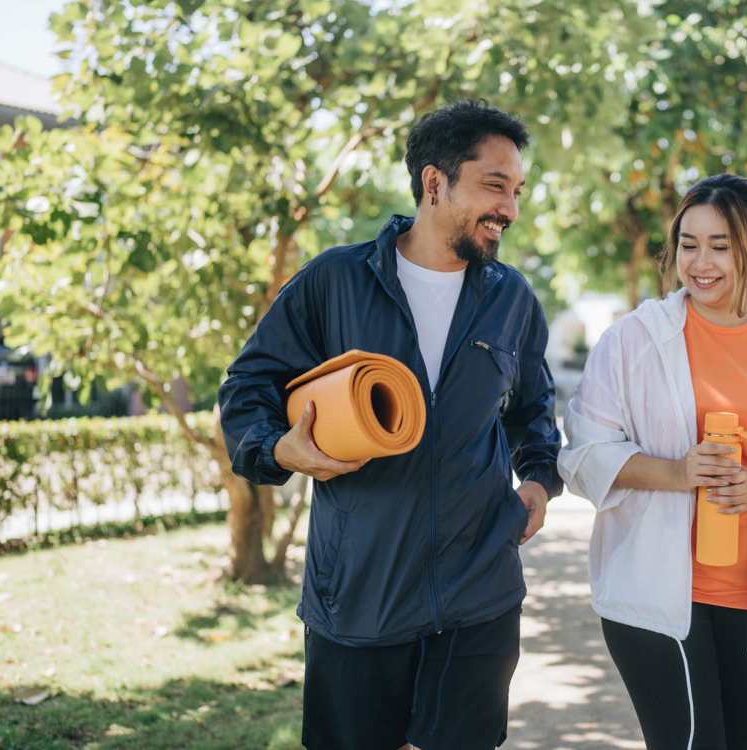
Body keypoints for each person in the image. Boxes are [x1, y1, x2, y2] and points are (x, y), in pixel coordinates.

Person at [218, 100, 562, 750]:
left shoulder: (511, 298)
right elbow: (244, 391)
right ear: (435, 183)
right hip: (358, 599)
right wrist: (280, 450)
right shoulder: (334, 282)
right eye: (495, 185)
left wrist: (538, 484)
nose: (510, 209)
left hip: (477, 598)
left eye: (516, 190)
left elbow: (532, 410)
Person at [558, 173, 747, 750]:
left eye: (720, 246)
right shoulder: (635, 340)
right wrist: (677, 473)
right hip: (653, 589)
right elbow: (583, 452)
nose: (701, 262)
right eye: (688, 244)